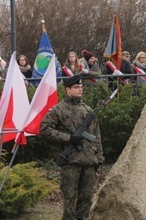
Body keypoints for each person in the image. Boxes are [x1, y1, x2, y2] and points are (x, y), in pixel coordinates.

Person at [40, 75, 104, 220]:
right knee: (69, 201)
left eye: (81, 87)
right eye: (76, 87)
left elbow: (96, 136)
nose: (80, 89)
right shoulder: (58, 110)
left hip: (89, 162)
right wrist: (69, 138)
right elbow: (45, 129)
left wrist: (99, 157)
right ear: (68, 89)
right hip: (70, 161)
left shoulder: (88, 110)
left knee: (86, 199)